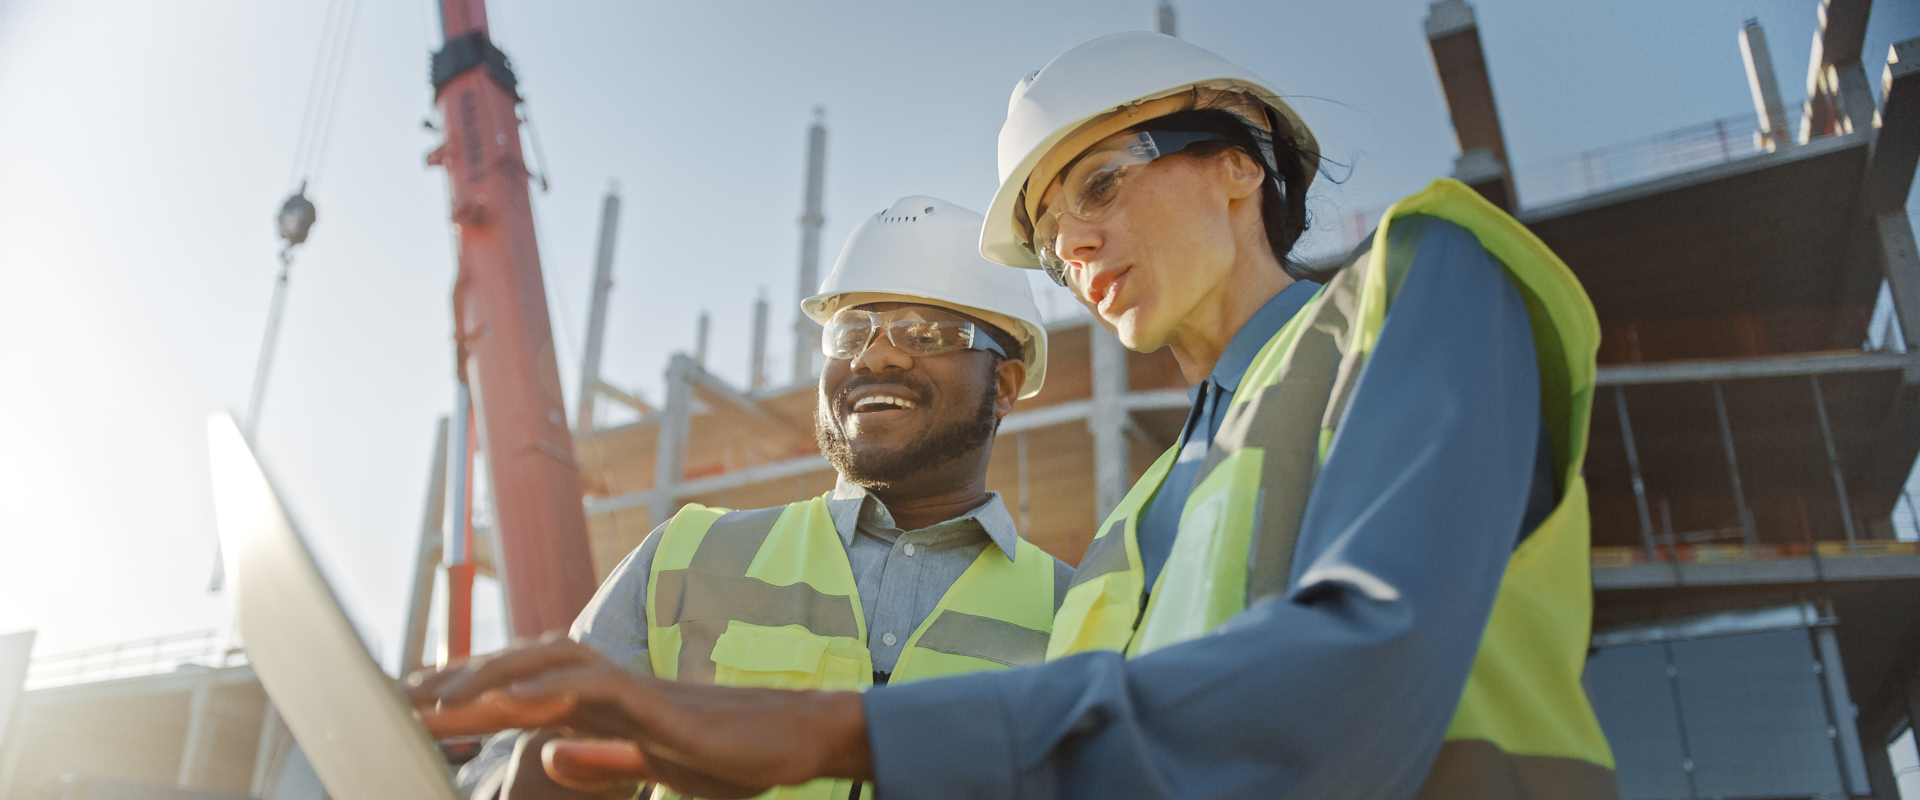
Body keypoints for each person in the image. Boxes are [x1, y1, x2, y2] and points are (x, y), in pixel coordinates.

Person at [408, 32, 1616, 800]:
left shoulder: (1421, 284)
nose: (1072, 242)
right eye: (1047, 229)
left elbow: (1363, 674)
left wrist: (836, 733)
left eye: (1099, 179)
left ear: (1239, 159)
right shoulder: (1132, 536)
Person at [447, 195, 1072, 800]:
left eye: (927, 334)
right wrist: (531, 781)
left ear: (1005, 385)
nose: (876, 354)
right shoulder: (689, 558)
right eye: (851, 331)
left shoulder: (1081, 612)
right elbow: (511, 762)